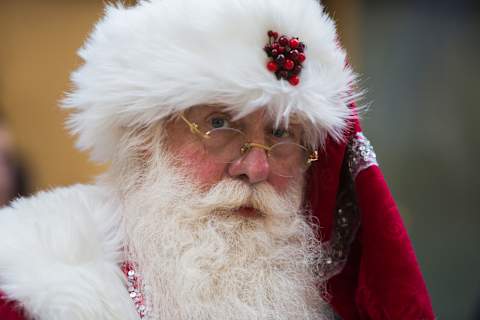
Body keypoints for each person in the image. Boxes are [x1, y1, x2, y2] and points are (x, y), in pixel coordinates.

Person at [0, 0, 435, 319]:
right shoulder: (32, 292)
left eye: (281, 134)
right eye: (220, 123)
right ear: (143, 141)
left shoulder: (321, 303)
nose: (255, 167)